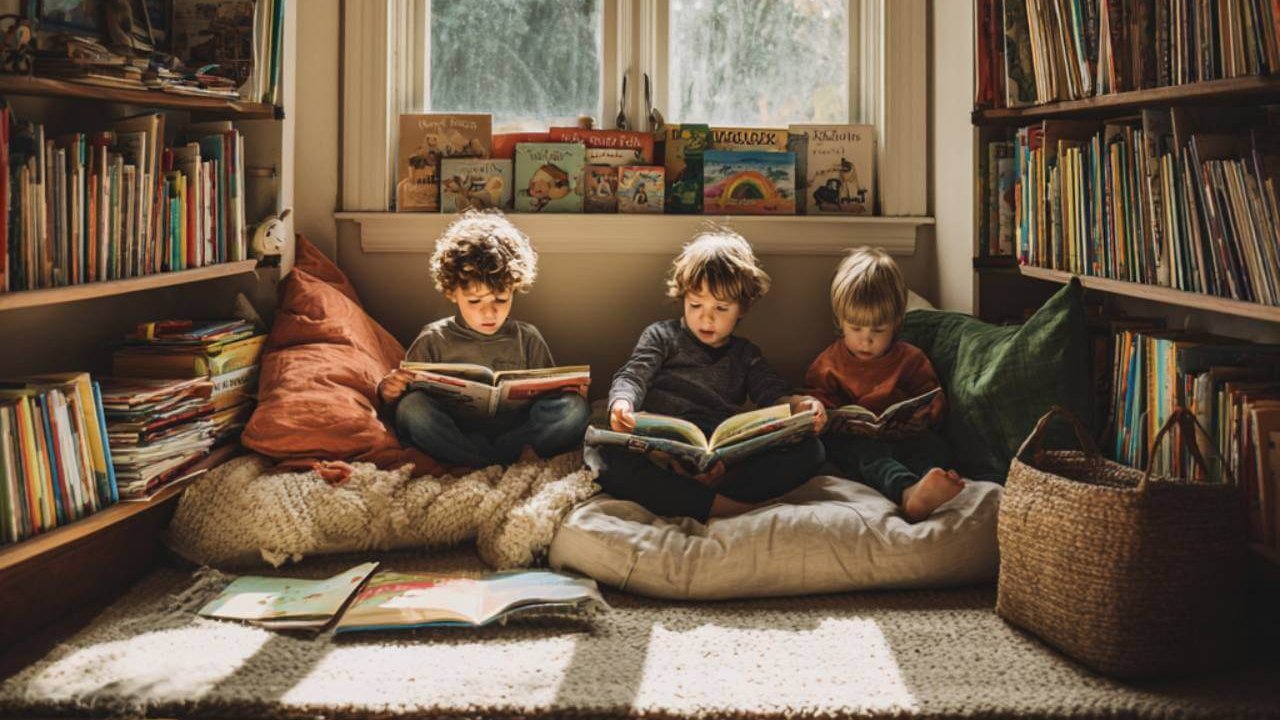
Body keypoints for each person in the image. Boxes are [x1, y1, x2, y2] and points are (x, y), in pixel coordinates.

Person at [586, 228, 827, 522]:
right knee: (602, 454)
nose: (706, 317)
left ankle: (706, 496)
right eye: (695, 305)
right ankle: (722, 505)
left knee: (811, 451)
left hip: (719, 457)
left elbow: (773, 396)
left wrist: (802, 405)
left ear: (742, 308)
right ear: (683, 297)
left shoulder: (745, 355)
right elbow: (633, 376)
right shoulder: (662, 336)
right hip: (661, 452)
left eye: (721, 308)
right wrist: (621, 404)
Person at [377, 210, 589, 468]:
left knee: (574, 410)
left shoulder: (527, 338)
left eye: (501, 299)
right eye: (475, 301)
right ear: (452, 293)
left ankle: (482, 458)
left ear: (514, 289)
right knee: (412, 409)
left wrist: (570, 392)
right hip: (456, 432)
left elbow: (550, 400)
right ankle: (492, 460)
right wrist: (389, 394)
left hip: (516, 432)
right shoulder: (433, 339)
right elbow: (401, 409)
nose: (489, 312)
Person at [805, 247, 963, 522]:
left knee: (934, 448)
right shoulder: (830, 362)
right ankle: (906, 492)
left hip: (904, 436)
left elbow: (931, 396)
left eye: (878, 330)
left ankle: (929, 482)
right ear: (839, 321)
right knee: (870, 456)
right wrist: (823, 413)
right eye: (855, 328)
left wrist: (929, 413)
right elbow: (816, 400)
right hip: (859, 442)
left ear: (896, 322)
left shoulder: (909, 358)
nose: (866, 340)